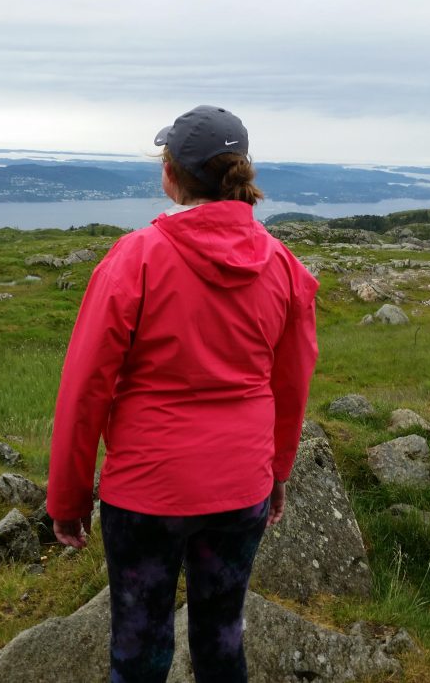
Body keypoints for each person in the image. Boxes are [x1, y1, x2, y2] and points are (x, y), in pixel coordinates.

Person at [47, 105, 319, 683]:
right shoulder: (284, 267)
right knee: (223, 640)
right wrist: (277, 474)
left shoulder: (136, 258)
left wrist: (67, 498)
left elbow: (84, 388)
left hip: (148, 490)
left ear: (169, 173)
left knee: (139, 648)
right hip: (240, 485)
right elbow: (291, 386)